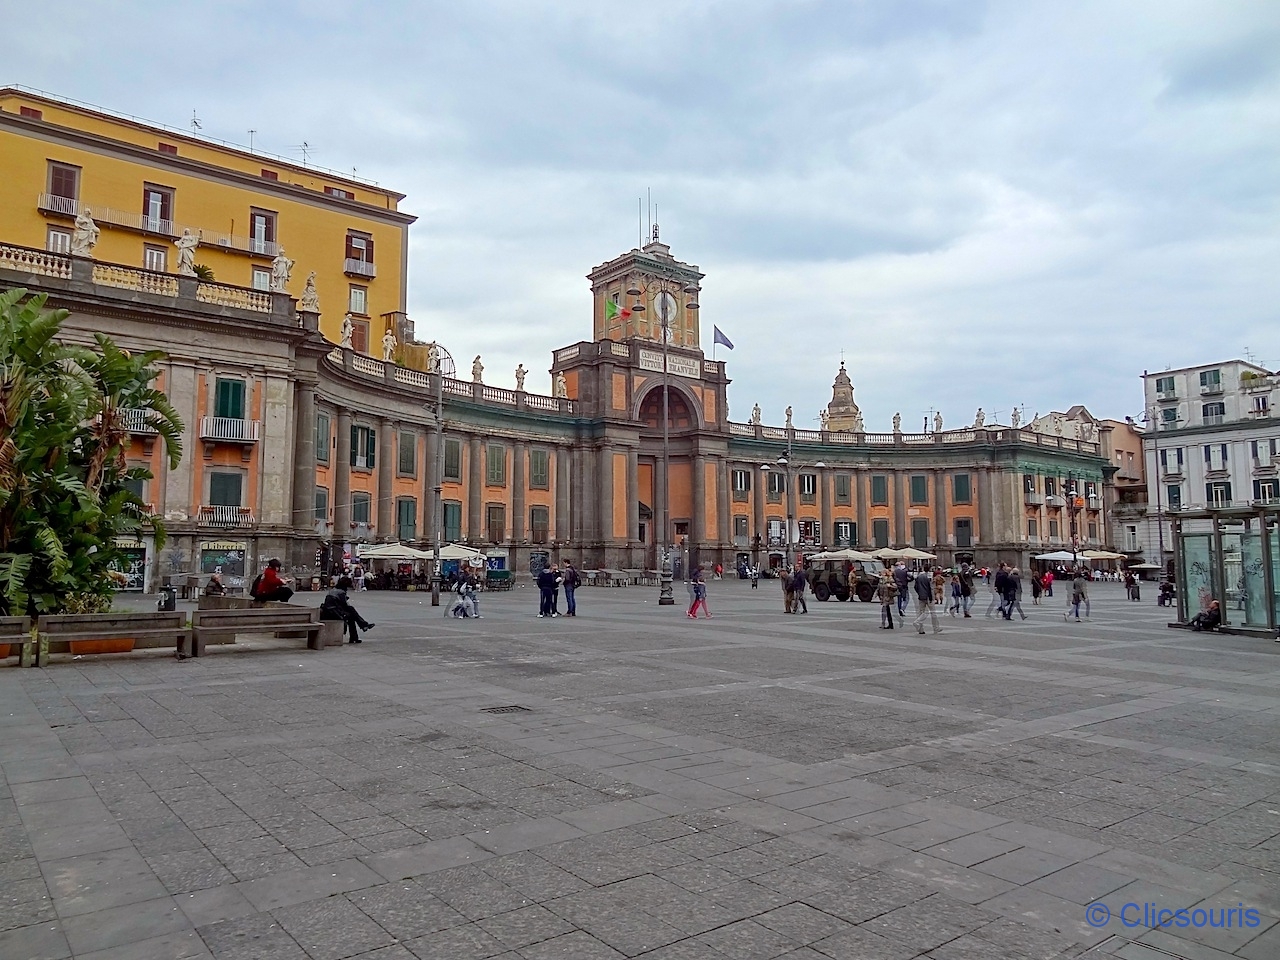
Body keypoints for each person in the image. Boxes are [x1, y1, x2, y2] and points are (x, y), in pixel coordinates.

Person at [321, 577, 375, 642]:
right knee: (351, 613)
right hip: (333, 613)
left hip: (329, 612)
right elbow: (344, 606)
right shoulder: (341, 592)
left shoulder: (334, 590)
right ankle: (361, 628)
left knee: (351, 614)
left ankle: (359, 631)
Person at [912, 568, 941, 635]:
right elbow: (930, 588)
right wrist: (931, 598)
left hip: (921, 597)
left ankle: (920, 629)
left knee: (921, 612)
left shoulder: (918, 577)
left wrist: (919, 593)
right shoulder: (928, 577)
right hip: (928, 597)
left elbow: (915, 587)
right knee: (933, 613)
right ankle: (936, 628)